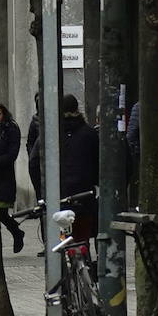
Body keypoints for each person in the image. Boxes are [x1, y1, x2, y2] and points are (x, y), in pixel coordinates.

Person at [0, 103, 26, 253]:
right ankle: (12, 234)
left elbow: (12, 154)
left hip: (4, 178)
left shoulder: (11, 129)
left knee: (0, 212)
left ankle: (16, 232)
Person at [59, 94, 99, 242]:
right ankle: (84, 259)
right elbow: (97, 161)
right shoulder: (89, 133)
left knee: (64, 238)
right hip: (84, 195)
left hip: (61, 196)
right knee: (82, 236)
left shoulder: (53, 135)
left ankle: (68, 259)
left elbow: (35, 162)